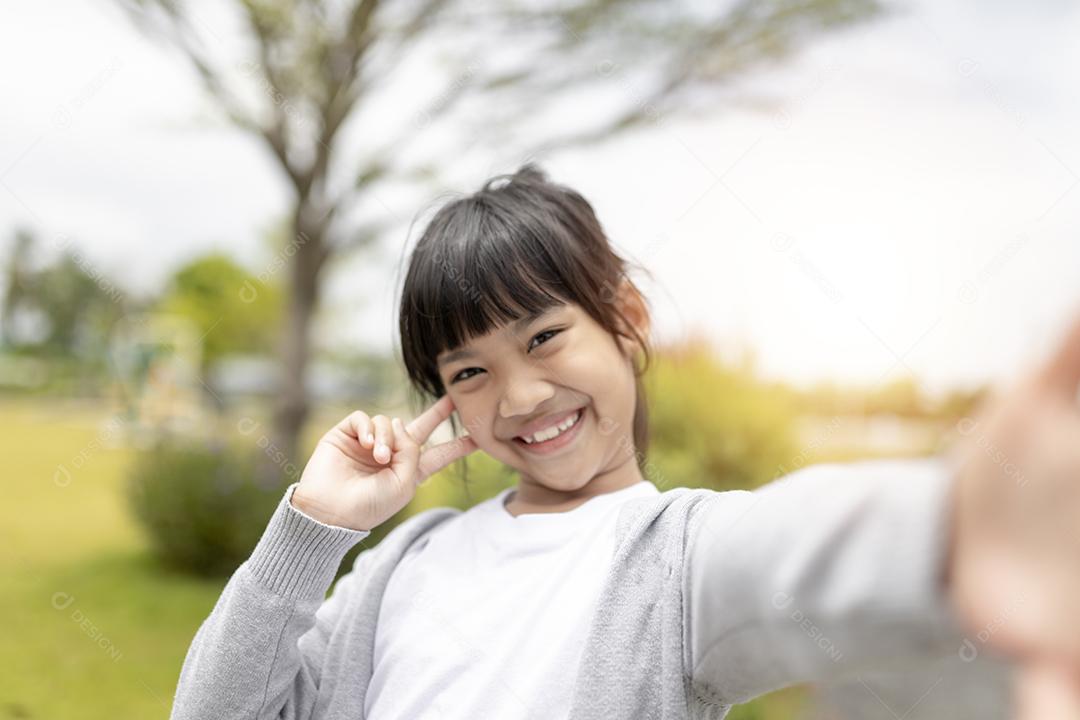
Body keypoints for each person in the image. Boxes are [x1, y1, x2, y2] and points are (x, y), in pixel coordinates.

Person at [169, 164, 1080, 720]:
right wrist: (311, 529)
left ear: (626, 320)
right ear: (443, 402)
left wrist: (965, 518)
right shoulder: (405, 559)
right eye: (468, 372)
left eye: (544, 337)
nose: (522, 396)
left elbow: (796, 548)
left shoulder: (680, 562)